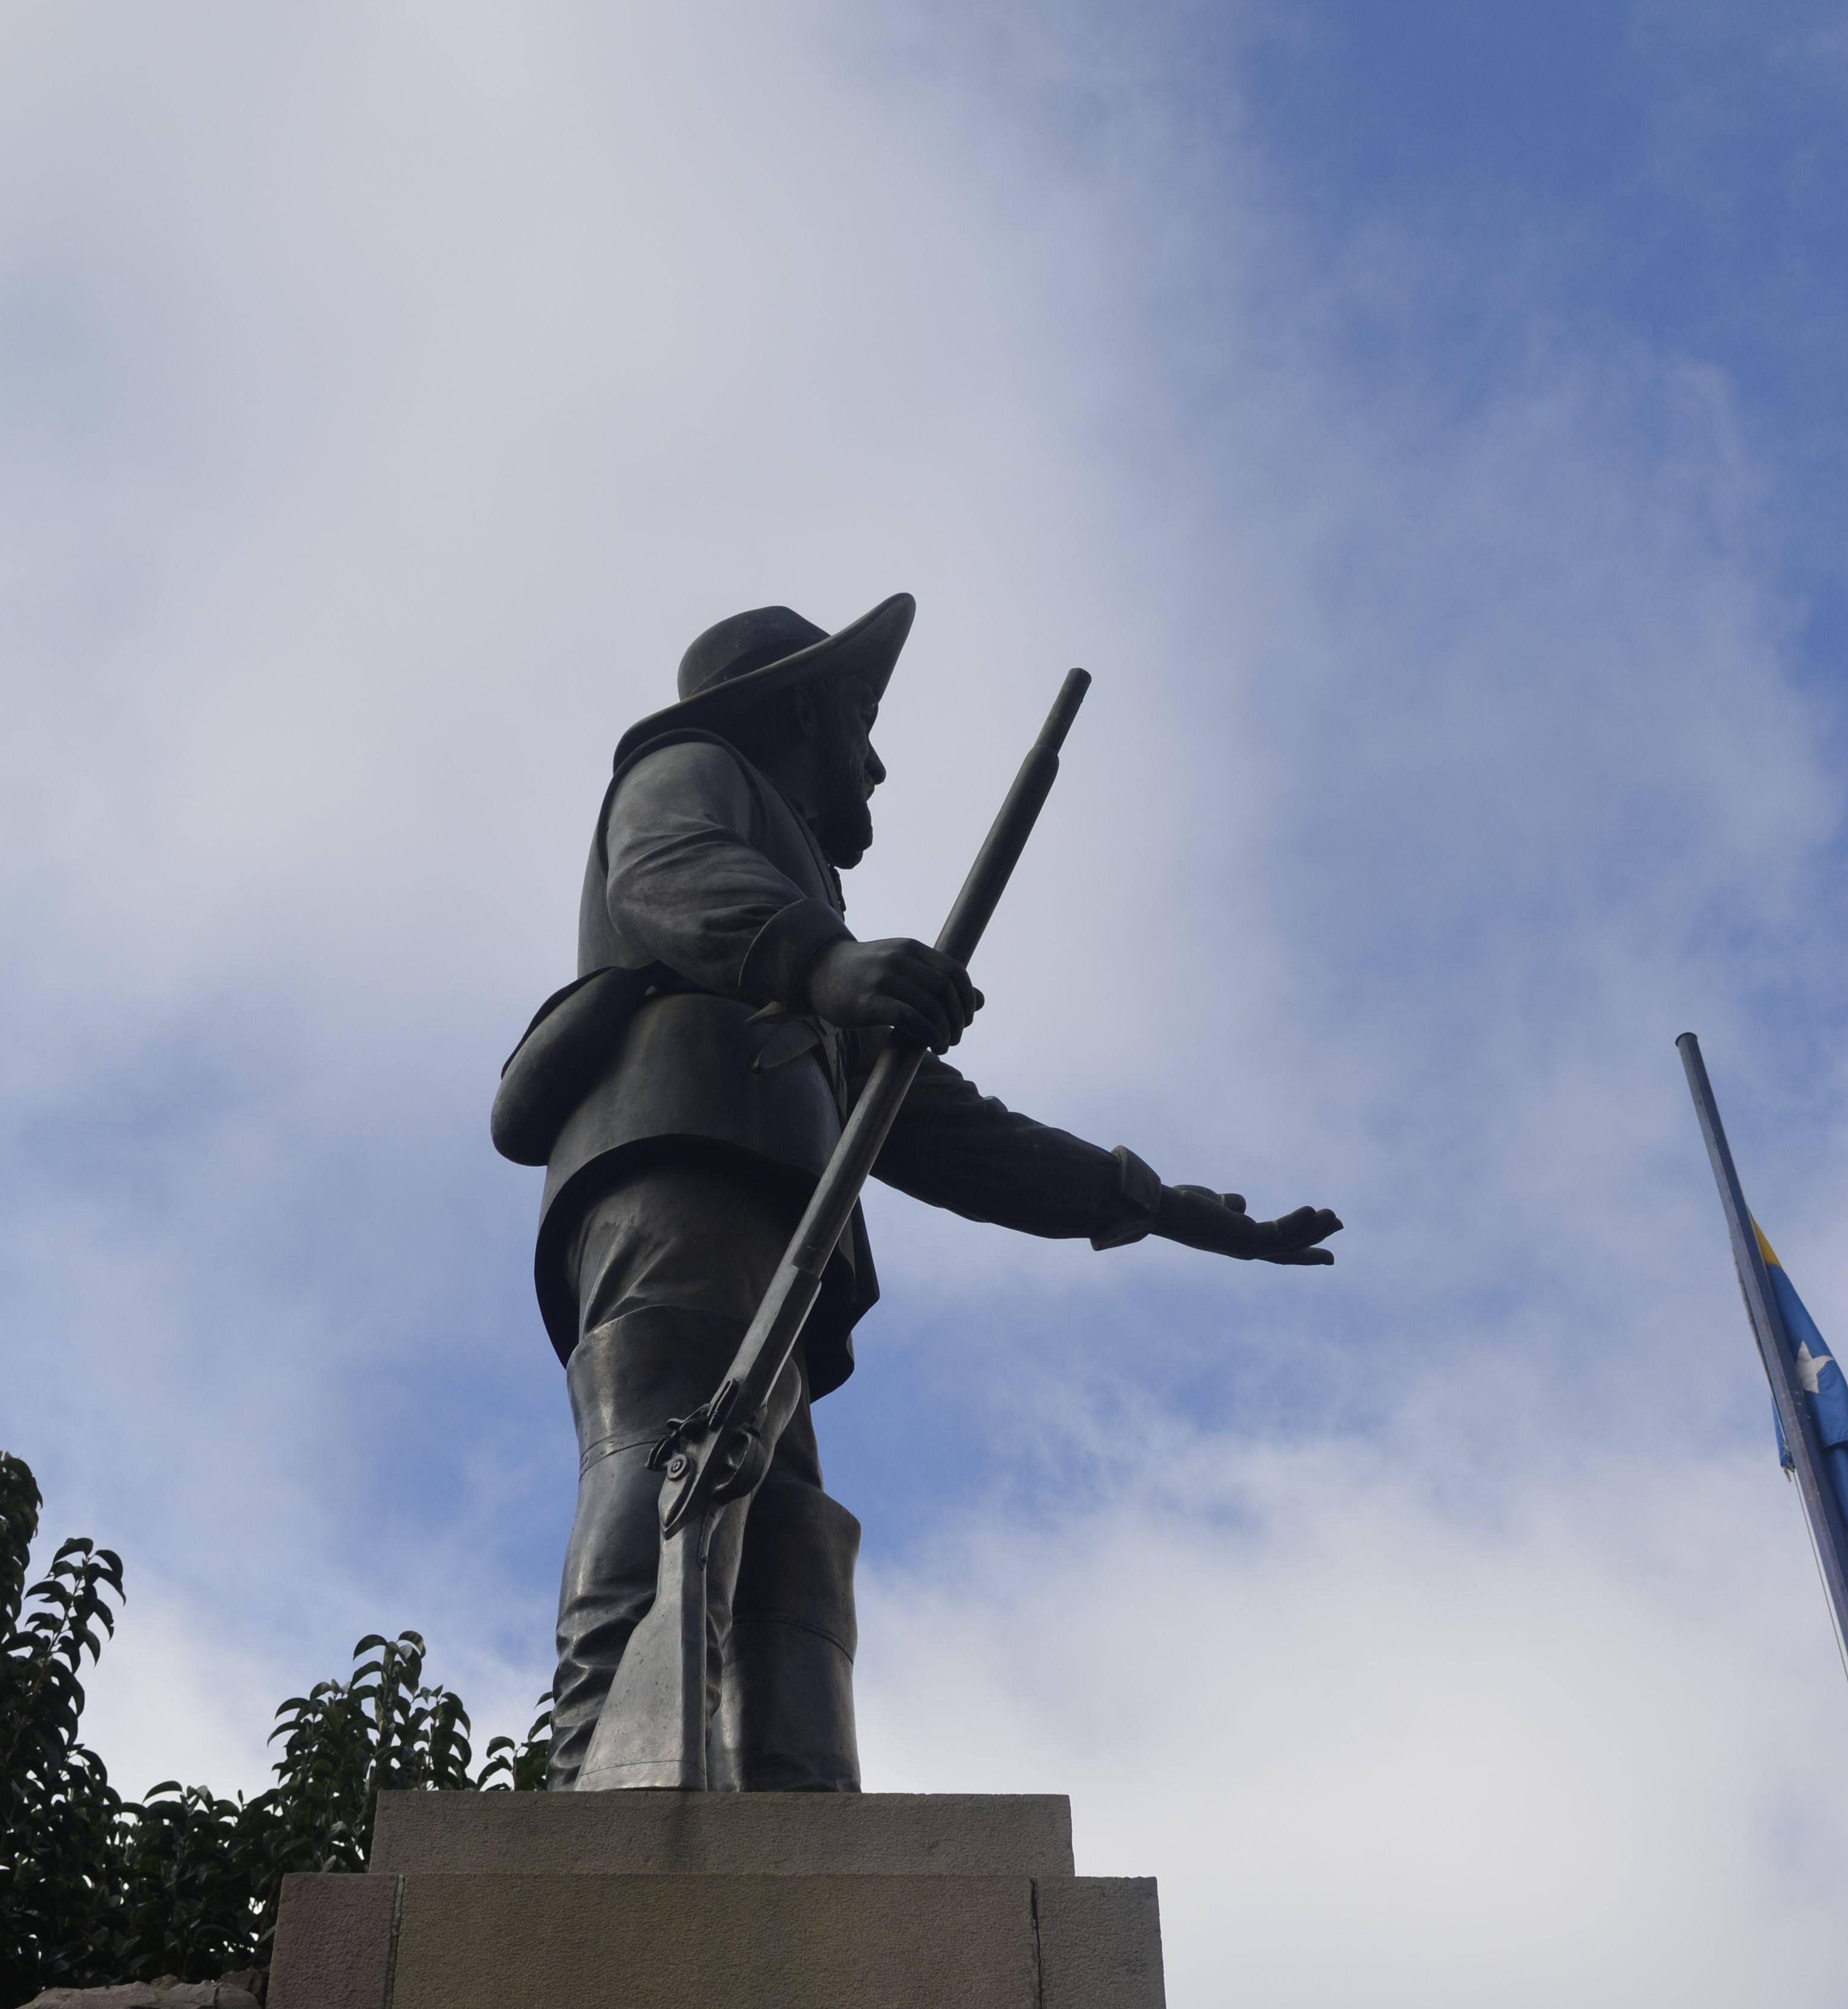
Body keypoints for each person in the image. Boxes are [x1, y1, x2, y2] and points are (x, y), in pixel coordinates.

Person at [494, 593, 1340, 1791]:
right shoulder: (691, 772)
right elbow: (669, 878)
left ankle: (803, 1805)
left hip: (770, 1210)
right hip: (677, 1163)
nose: (878, 761)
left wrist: (1145, 1200)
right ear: (802, 713)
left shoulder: (798, 916)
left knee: (783, 1533)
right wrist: (822, 961)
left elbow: (932, 1123)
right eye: (861, 718)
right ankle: (606, 1764)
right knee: (671, 1444)